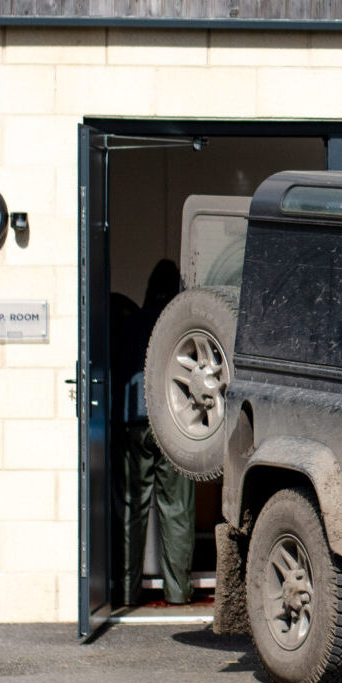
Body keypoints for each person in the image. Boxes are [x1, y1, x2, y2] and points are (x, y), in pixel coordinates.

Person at [120, 260, 197, 606]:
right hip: (175, 426)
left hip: (134, 421)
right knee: (176, 509)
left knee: (130, 508)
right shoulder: (182, 326)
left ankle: (125, 591)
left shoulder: (131, 323)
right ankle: (178, 591)